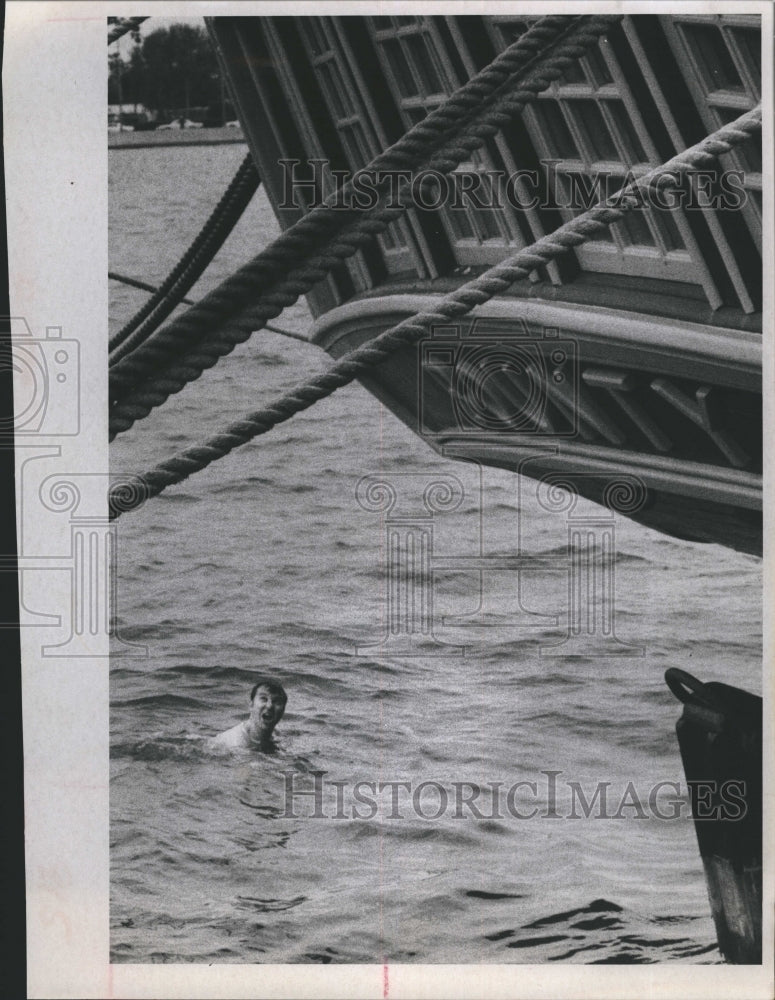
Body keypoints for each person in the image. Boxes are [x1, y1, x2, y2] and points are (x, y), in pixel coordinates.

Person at [210, 678, 287, 752]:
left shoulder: (277, 734)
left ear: (283, 710)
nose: (269, 705)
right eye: (264, 699)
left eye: (276, 701)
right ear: (251, 705)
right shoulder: (236, 743)